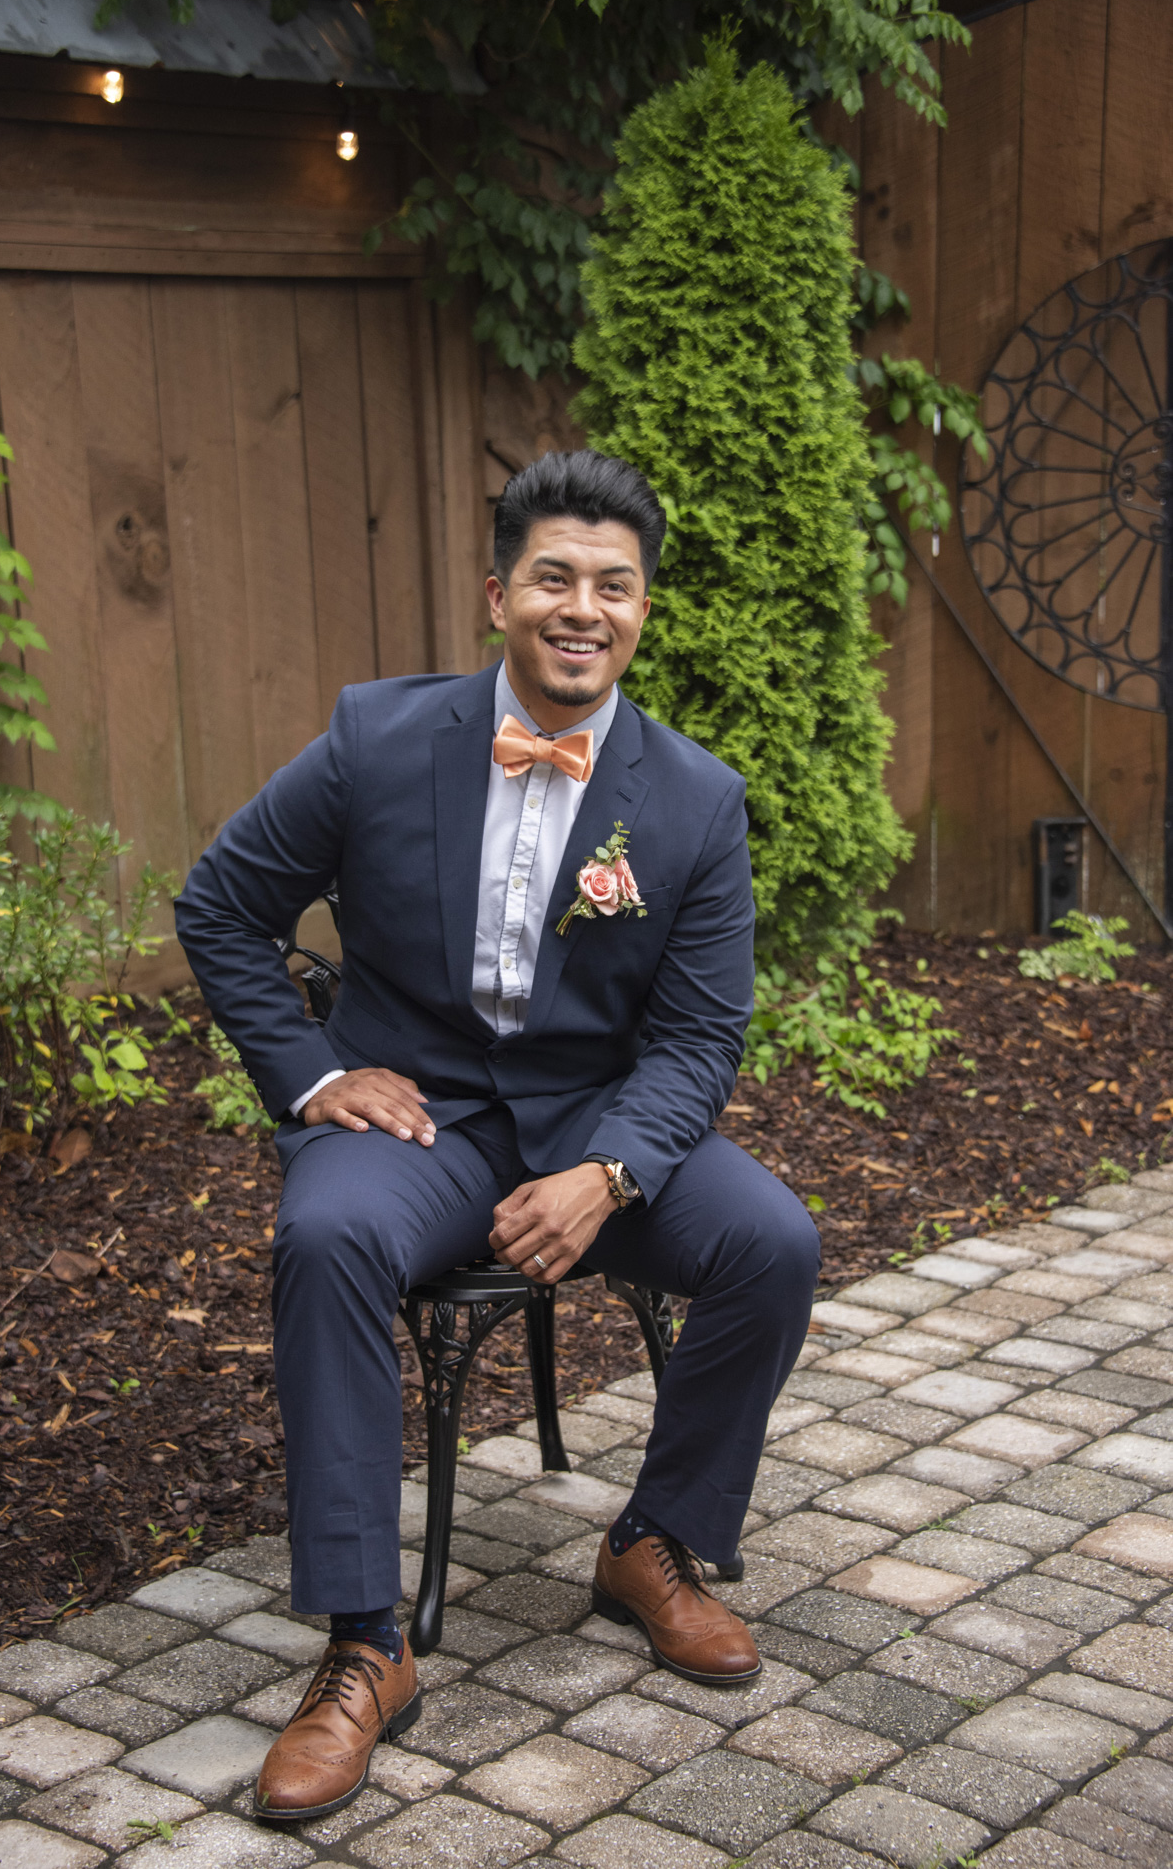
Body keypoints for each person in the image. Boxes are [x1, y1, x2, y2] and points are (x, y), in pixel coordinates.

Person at [175, 448, 819, 1824]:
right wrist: (307, 1074)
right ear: (499, 595)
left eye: (614, 585)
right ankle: (365, 1641)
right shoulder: (376, 739)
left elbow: (703, 1039)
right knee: (329, 1233)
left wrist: (610, 1171)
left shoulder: (695, 800)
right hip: (420, 1117)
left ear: (643, 610)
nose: (582, 607)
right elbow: (220, 906)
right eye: (554, 579)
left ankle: (655, 1546)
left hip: (602, 1120)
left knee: (773, 1239)